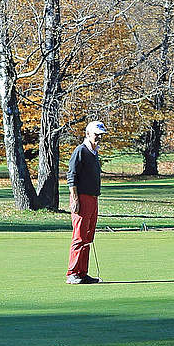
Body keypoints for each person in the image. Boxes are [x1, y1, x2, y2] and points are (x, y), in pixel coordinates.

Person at [66, 120, 107, 285]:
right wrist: (75, 199)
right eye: (97, 135)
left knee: (88, 236)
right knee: (79, 236)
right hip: (81, 197)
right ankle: (72, 273)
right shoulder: (80, 151)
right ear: (88, 133)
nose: (99, 138)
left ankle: (82, 273)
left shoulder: (94, 152)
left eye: (101, 135)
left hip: (93, 197)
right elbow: (72, 176)